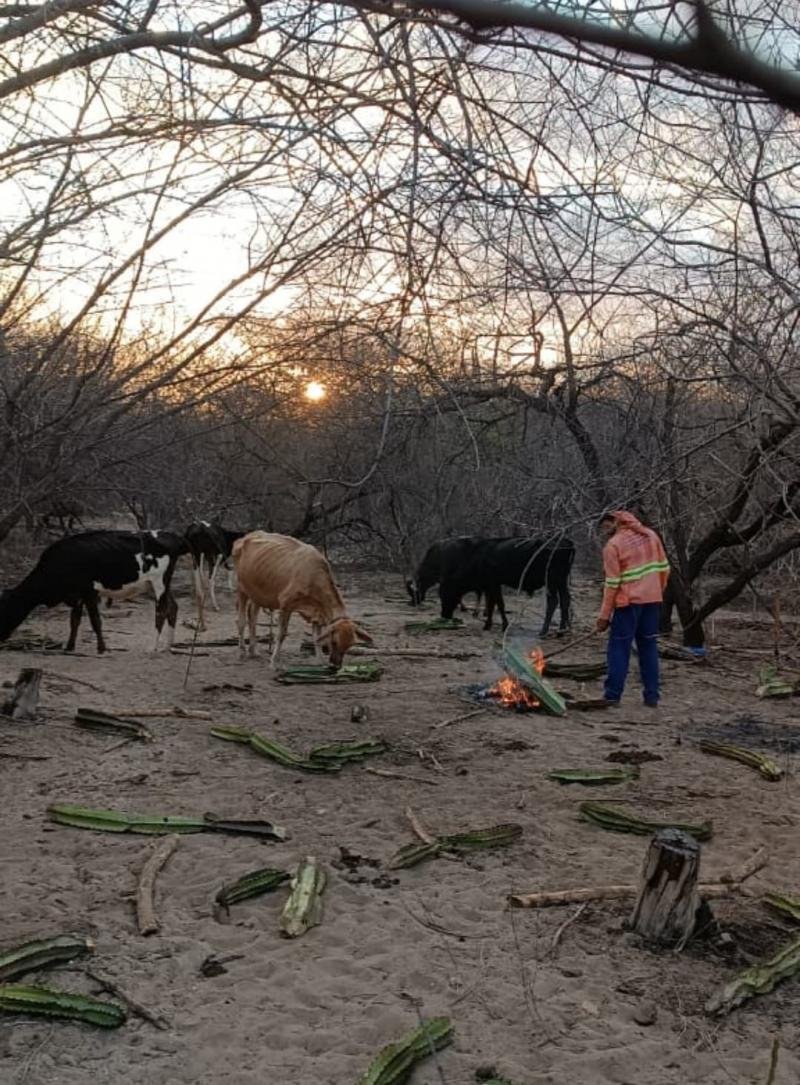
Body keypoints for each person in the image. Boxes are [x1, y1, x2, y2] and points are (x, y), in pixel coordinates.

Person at [595, 511, 670, 707]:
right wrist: (655, 592)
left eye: (605, 526)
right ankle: (652, 696)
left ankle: (612, 695)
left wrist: (604, 616)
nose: (604, 531)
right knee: (648, 648)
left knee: (619, 649)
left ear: (616, 522)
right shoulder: (651, 536)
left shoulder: (613, 546)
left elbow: (612, 584)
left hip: (627, 605)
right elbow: (664, 569)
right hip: (652, 602)